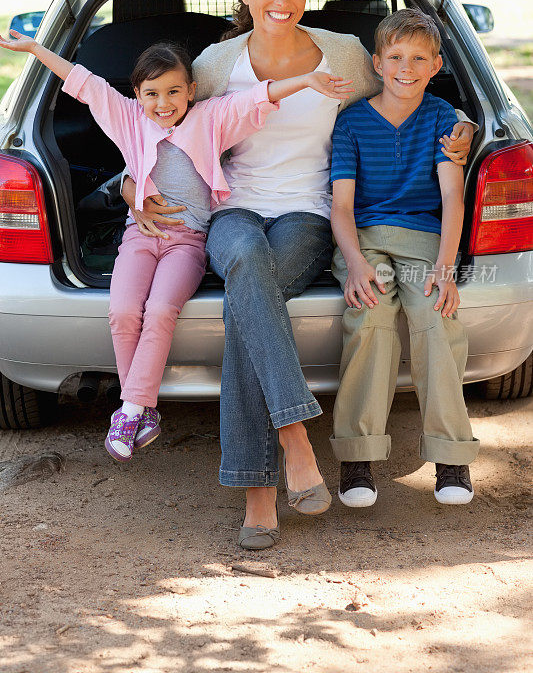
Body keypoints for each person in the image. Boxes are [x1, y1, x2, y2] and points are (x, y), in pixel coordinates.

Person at [122, 0, 476, 549]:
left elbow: (406, 84)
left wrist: (465, 125)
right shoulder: (212, 64)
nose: (282, 1)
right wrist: (128, 189)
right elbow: (154, 130)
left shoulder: (341, 53)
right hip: (231, 212)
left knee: (245, 298)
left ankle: (259, 494)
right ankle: (295, 438)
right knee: (245, 267)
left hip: (308, 215)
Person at [0, 30, 352, 462]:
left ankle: (130, 409)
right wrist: (36, 50)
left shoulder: (208, 118)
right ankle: (141, 410)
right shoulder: (129, 118)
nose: (163, 103)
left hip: (188, 242)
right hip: (140, 235)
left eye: (173, 91)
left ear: (191, 91)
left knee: (163, 310)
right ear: (137, 94)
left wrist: (305, 80)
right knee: (124, 310)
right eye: (152, 93)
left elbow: (255, 97)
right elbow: (86, 84)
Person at [330, 8, 480, 509]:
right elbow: (342, 206)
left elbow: (453, 199)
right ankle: (358, 457)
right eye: (395, 56)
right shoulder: (351, 121)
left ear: (436, 64)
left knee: (436, 319)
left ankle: (451, 457)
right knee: (371, 314)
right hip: (365, 239)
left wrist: (446, 266)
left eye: (418, 58)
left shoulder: (443, 120)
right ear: (376, 62)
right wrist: (353, 262)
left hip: (423, 240)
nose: (406, 67)